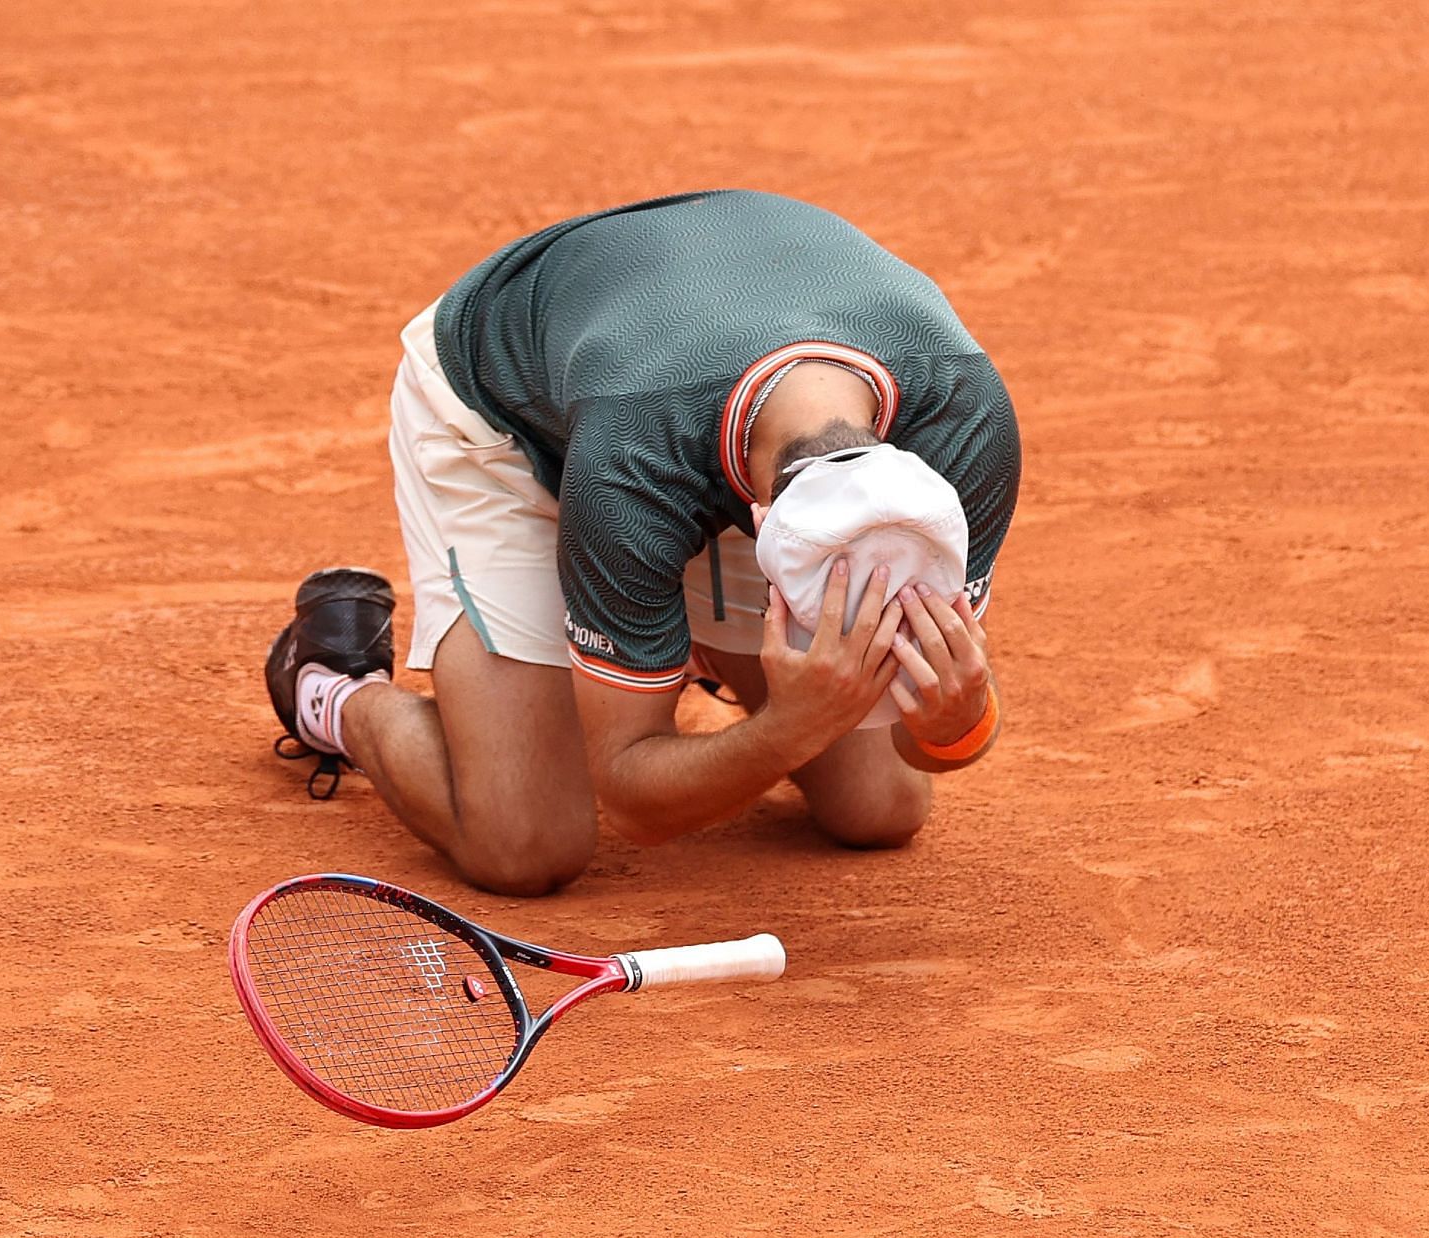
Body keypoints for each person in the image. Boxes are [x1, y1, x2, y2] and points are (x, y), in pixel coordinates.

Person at [264, 190, 1021, 895]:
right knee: (525, 843)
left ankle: (667, 642)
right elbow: (632, 795)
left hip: (700, 380)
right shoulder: (629, 473)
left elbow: (937, 742)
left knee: (880, 804)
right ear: (760, 531)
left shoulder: (965, 427)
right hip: (510, 410)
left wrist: (954, 719)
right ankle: (336, 688)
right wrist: (788, 726)